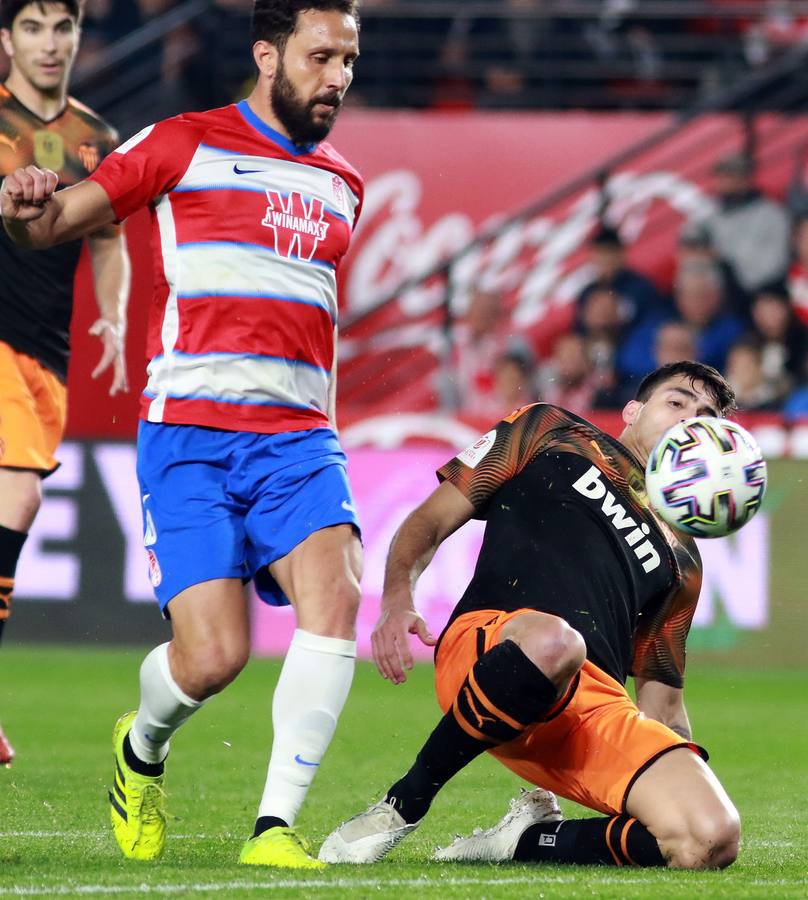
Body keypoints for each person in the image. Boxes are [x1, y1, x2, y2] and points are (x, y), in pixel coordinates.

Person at [1, 0, 363, 869]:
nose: (340, 78)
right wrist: (21, 204)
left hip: (299, 440)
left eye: (350, 59)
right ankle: (141, 749)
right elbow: (51, 223)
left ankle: (275, 828)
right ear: (268, 57)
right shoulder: (181, 143)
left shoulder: (345, 182)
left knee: (338, 593)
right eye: (322, 57)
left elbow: (317, 318)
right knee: (212, 659)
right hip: (191, 438)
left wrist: (326, 425)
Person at [320, 360, 744, 872]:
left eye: (704, 419)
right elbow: (430, 521)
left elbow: (663, 705)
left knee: (711, 839)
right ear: (633, 410)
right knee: (555, 642)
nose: (686, 422)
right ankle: (401, 806)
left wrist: (675, 775)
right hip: (495, 648)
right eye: (676, 403)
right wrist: (396, 600)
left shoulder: (685, 559)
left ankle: (527, 841)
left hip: (589, 713)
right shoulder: (550, 430)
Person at [0, 0, 130, 767]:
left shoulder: (96, 139)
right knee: (19, 495)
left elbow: (108, 238)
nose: (50, 45)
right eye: (33, 28)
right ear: (6, 39)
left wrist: (111, 318)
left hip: (48, 358)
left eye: (63, 29)